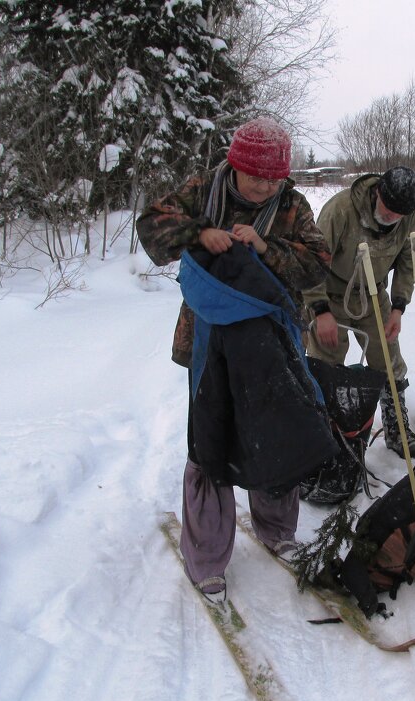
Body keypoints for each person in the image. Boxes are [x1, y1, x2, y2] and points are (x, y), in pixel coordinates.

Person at [136, 117, 333, 602]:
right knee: (211, 439)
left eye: (274, 178)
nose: (265, 187)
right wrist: (202, 233)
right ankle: (206, 556)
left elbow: (319, 262)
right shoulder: (204, 188)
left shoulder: (290, 204)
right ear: (236, 165)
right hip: (207, 339)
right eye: (255, 177)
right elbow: (151, 228)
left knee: (275, 429)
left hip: (273, 339)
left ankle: (275, 529)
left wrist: (266, 247)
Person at [303, 166, 415, 458]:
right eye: (389, 208)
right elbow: (311, 262)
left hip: (373, 294)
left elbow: (409, 262)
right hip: (331, 294)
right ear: (378, 192)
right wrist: (320, 310)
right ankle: (329, 433)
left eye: (400, 213)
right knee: (326, 364)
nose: (392, 216)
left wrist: (398, 307)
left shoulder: (410, 216)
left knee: (388, 359)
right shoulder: (341, 210)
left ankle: (397, 428)